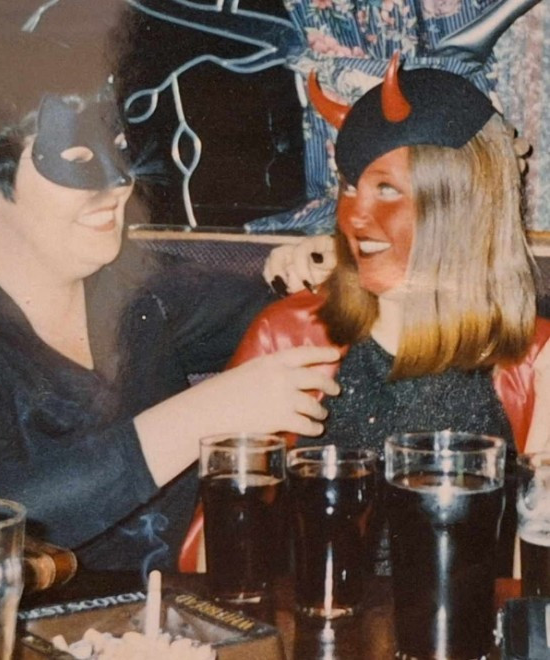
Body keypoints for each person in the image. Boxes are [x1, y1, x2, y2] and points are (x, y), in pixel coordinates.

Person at [0, 89, 341, 572]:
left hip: (184, 611)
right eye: (77, 159)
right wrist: (201, 415)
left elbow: (298, 317)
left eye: (119, 149)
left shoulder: (137, 287)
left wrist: (317, 270)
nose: (119, 185)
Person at [180, 54, 550, 574]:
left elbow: (535, 583)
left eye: (386, 189)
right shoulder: (289, 335)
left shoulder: (536, 360)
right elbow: (210, 561)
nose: (354, 215)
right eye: (349, 186)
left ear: (461, 204)